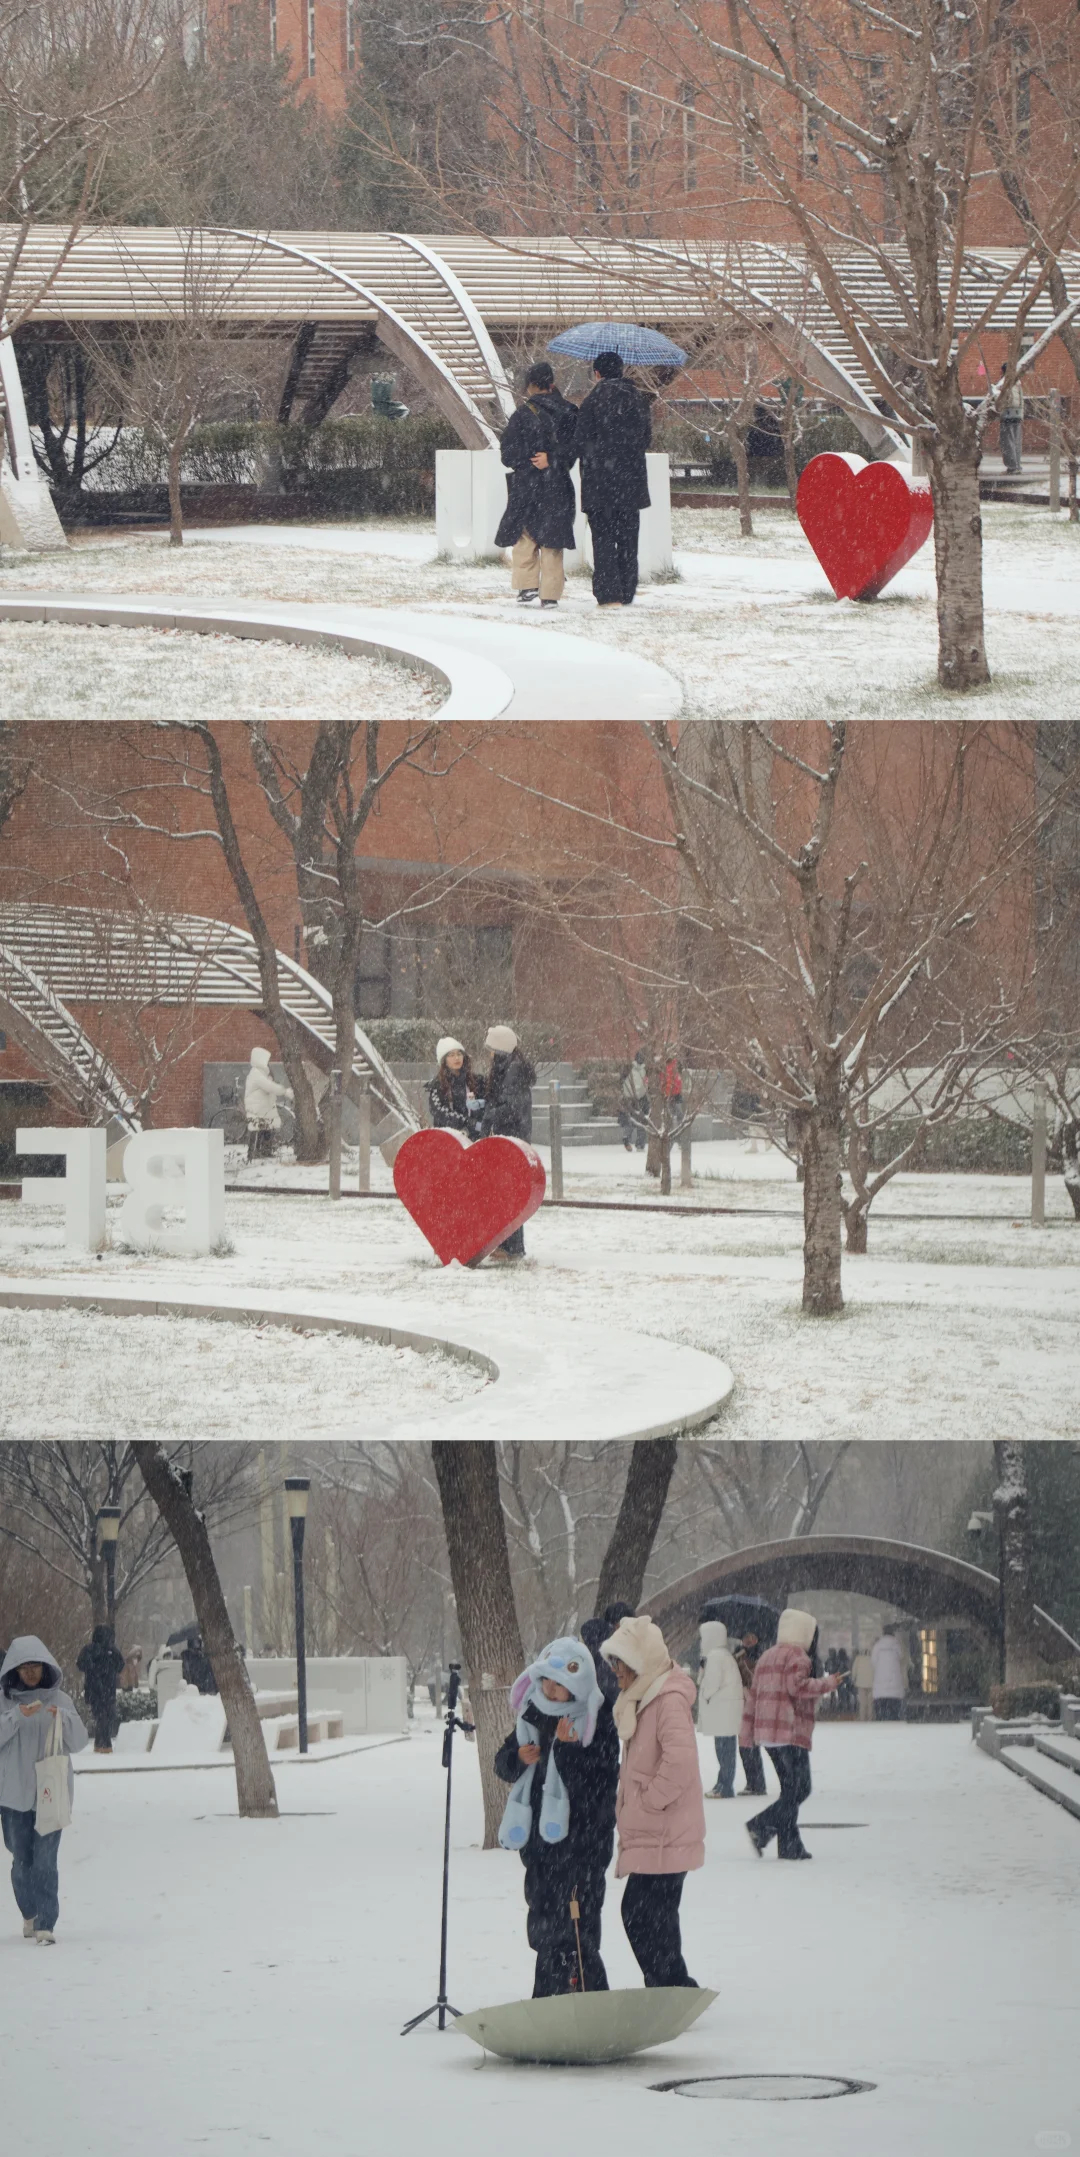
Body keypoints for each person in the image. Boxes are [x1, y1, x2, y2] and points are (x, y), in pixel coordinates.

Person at [495, 1636, 618, 1996]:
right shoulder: (532, 1714)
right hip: (540, 1846)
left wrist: (566, 1751)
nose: (550, 1689)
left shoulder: (596, 1720)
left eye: (559, 1683)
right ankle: (547, 1996)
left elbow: (600, 1782)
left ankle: (588, 1996)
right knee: (545, 1924)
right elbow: (502, 1764)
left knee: (578, 1927)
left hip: (581, 1846)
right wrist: (517, 1759)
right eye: (545, 1680)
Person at [601, 1613, 704, 1988]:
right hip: (655, 1830)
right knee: (654, 1916)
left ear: (641, 1662)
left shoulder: (667, 1700)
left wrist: (649, 1802)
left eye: (621, 1664)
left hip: (665, 1829)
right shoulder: (643, 1697)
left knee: (642, 1914)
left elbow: (680, 1762)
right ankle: (670, 1984)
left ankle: (668, 1984)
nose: (616, 1672)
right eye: (613, 1663)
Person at [0, 1635, 89, 1943]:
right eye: (24, 1667)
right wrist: (16, 1716)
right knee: (21, 1862)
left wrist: (63, 1719)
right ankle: (30, 1912)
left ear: (45, 1666)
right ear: (14, 1669)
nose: (30, 1672)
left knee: (46, 1862)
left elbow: (79, 1742)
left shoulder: (60, 1700)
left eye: (35, 1666)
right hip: (13, 1796)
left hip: (51, 1795)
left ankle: (46, 1923)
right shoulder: (5, 1701)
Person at [743, 1608, 845, 1860]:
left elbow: (753, 1697)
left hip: (767, 1733)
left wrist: (747, 1733)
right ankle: (760, 1826)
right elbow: (797, 1687)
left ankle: (789, 1844)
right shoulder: (798, 1656)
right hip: (788, 1732)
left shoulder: (766, 1656)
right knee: (801, 1789)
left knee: (790, 1790)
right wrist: (828, 1683)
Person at [495, 361, 579, 610]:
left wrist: (528, 461)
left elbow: (507, 455)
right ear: (552, 383)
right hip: (557, 483)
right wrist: (553, 459)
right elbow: (576, 448)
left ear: (530, 385)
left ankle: (526, 586)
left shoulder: (522, 415)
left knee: (525, 535)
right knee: (553, 538)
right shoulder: (570, 412)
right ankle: (550, 594)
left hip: (526, 485)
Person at [574, 350, 652, 608]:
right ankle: (627, 589)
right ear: (621, 370)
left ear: (597, 373)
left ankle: (609, 593)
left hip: (599, 484)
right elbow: (646, 439)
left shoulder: (591, 402)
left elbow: (581, 442)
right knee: (629, 539)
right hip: (631, 483)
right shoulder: (638, 399)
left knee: (603, 538)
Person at [478, 1024, 537, 1261]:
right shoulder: (511, 1067)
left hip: (512, 1137)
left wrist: (489, 1116)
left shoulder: (513, 1070)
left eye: (492, 1049)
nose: (490, 1054)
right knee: (506, 1193)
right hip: (513, 1136)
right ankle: (507, 1245)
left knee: (507, 1194)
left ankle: (512, 1247)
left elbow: (510, 1106)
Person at [697, 1619, 744, 1798]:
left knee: (724, 1751)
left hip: (722, 1712)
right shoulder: (723, 1654)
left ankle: (724, 1786)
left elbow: (710, 1685)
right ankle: (723, 1783)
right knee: (727, 1750)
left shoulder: (715, 1656)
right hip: (726, 1712)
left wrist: (704, 1693)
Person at [76, 1624, 124, 1753]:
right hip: (107, 1689)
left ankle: (100, 1743)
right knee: (106, 1715)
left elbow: (81, 1664)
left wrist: (93, 1669)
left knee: (101, 1716)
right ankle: (105, 1744)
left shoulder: (89, 1649)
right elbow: (120, 1665)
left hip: (94, 1689)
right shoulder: (111, 1650)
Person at [426, 1037, 485, 1139]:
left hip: (476, 1138)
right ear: (444, 1060)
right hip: (448, 1139)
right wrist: (468, 1122)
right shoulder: (437, 1085)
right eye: (451, 1055)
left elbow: (489, 1104)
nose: (456, 1058)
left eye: (459, 1054)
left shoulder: (476, 1081)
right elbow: (440, 1113)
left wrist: (481, 1106)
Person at [733, 1631, 769, 1795]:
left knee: (752, 1745)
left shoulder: (764, 1656)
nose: (748, 1640)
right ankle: (752, 1782)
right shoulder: (737, 1655)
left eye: (752, 1637)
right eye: (745, 1637)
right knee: (744, 1745)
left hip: (758, 1704)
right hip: (742, 1703)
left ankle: (758, 1784)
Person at [244, 1045, 293, 1162]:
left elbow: (269, 1086)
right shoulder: (256, 1074)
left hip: (263, 1108)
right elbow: (269, 1087)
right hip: (257, 1108)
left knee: (265, 1128)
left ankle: (263, 1152)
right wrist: (284, 1091)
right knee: (256, 1130)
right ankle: (253, 1154)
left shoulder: (261, 1073)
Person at [871, 1627, 908, 1721]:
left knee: (881, 1717)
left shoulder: (877, 1646)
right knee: (894, 1717)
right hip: (895, 1690)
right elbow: (902, 1658)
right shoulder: (897, 1645)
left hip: (880, 1690)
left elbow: (873, 1662)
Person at [618, 1050, 649, 1151]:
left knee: (631, 1120)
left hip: (630, 1098)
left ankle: (627, 1137)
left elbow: (621, 1082)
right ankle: (640, 1144)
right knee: (642, 1121)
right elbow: (646, 1084)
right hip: (640, 1099)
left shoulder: (629, 1068)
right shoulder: (644, 1070)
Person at [999, 364, 1024, 473]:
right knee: (1016, 441)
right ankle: (1017, 465)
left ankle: (1012, 466)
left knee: (1007, 442)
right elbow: (1021, 400)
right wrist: (1021, 414)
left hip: (1007, 415)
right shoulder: (1018, 383)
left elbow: (1005, 400)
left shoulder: (1005, 383)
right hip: (1017, 415)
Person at [852, 1646, 874, 1723]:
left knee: (862, 1703)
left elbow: (854, 1671)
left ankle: (862, 1718)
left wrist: (853, 1679)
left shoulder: (858, 1659)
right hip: (871, 1684)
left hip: (861, 1683)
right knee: (870, 1703)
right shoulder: (873, 1658)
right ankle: (870, 1719)